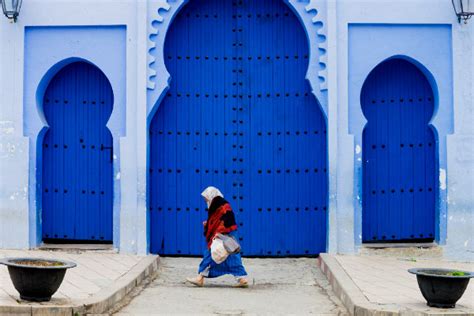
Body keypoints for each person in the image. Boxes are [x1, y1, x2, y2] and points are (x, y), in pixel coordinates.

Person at [186, 186, 249, 288]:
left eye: (206, 198)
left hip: (224, 234)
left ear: (212, 195)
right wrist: (208, 224)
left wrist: (219, 231)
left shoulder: (222, 205)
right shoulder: (216, 205)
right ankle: (242, 279)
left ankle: (200, 278)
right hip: (224, 234)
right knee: (232, 256)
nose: (206, 200)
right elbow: (216, 220)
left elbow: (227, 219)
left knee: (211, 254)